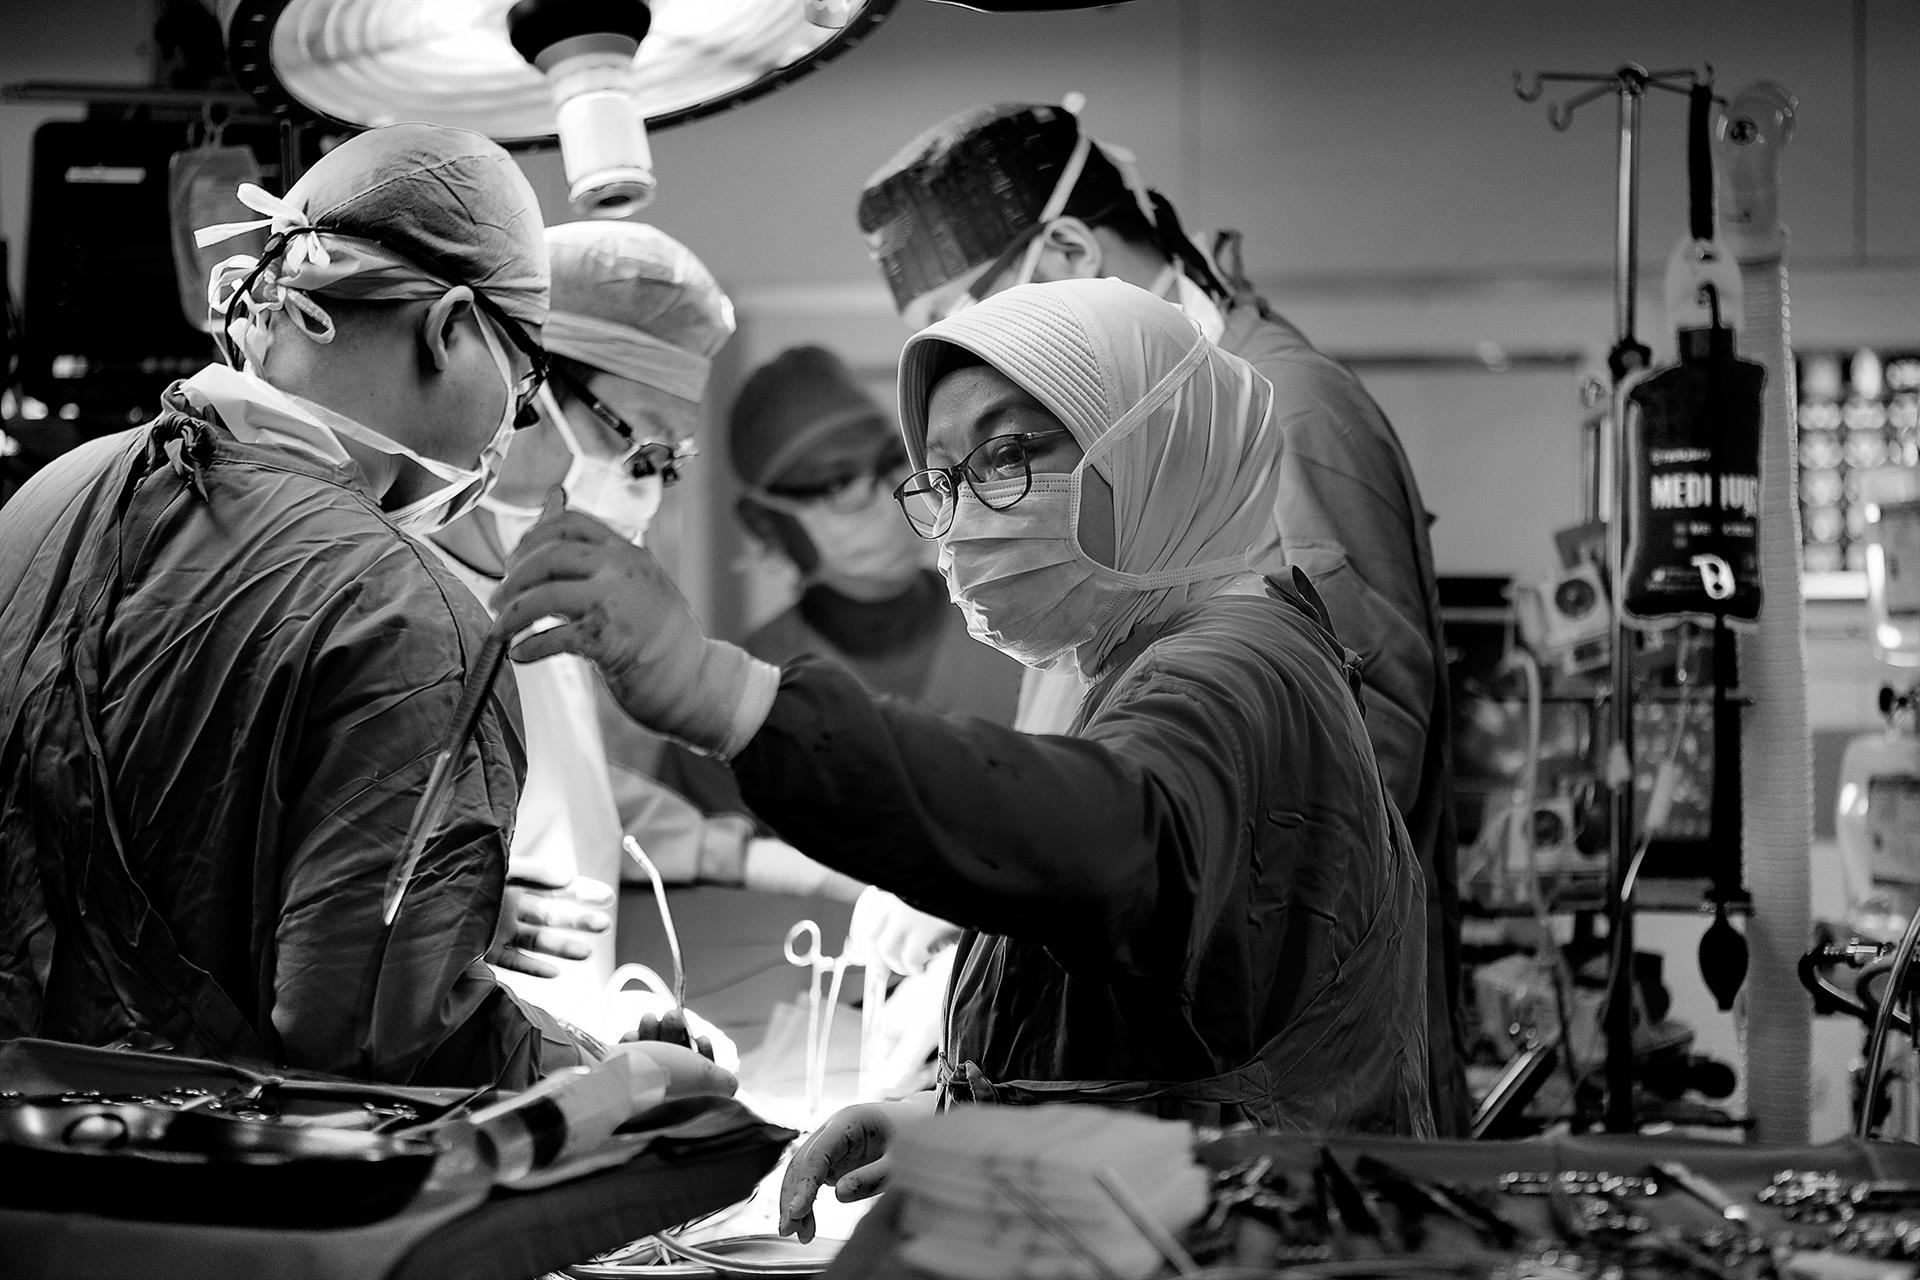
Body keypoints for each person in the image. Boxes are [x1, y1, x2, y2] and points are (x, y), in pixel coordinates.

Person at [491, 278, 1434, 1240]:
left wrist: (724, 694)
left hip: (1239, 1236)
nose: (966, 513)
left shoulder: (1231, 669)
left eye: (1008, 455)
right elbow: (1155, 1019)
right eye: (942, 479)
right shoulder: (1155, 660)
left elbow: (1104, 844)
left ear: (1158, 447)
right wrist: (961, 1110)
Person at [0, 124, 721, 1095]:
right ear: (451, 327)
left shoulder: (50, 497)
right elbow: (381, 1048)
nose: (507, 429)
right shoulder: (406, 614)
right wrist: (622, 1076)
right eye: (522, 391)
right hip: (185, 1176)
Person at [857, 101, 1469, 1131]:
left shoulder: (1279, 418)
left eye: (973, 311)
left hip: (1259, 1110)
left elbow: (1340, 799)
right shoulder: (1104, 470)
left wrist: (1040, 914)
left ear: (1065, 252)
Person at [429, 220, 732, 1043]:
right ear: (521, 399)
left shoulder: (541, 605)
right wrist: (442, 921)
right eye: (638, 450)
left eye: (670, 466)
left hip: (538, 1076)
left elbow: (559, 805)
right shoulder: (396, 607)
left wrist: (612, 1033)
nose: (648, 494)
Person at [645, 345, 1023, 896]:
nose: (881, 500)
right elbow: (693, 897)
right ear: (765, 523)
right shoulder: (733, 695)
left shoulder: (1020, 636)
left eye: (889, 464)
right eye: (836, 484)